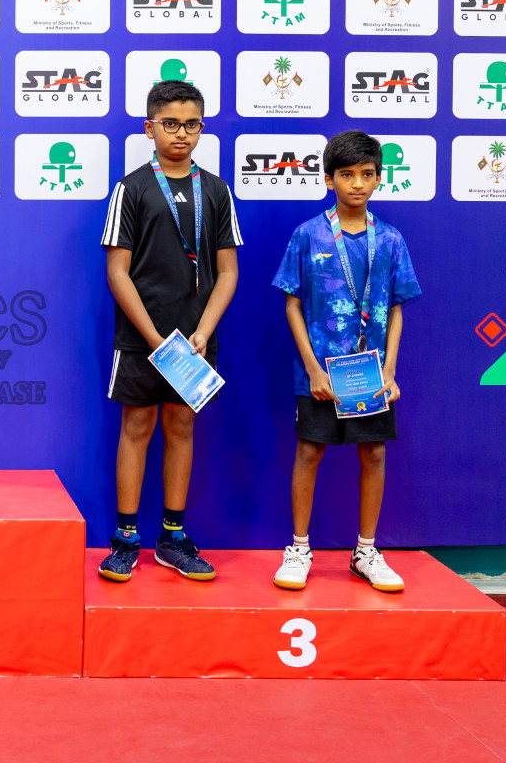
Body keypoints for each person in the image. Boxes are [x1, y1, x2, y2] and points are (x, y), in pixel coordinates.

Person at [98, 80, 240, 582]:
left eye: (192, 124)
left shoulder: (216, 190)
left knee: (181, 428)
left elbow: (228, 272)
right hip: (142, 338)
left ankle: (172, 538)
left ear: (202, 128)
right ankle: (125, 539)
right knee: (136, 429)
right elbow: (118, 272)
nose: (181, 134)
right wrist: (154, 338)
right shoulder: (132, 188)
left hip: (194, 341)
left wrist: (202, 331)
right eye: (171, 124)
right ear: (150, 127)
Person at [271, 130, 420, 592]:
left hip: (371, 375)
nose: (358, 183)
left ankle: (366, 551)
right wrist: (313, 368)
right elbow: (292, 304)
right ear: (329, 179)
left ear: (379, 178)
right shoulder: (308, 234)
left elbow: (396, 308)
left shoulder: (390, 239)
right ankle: (299, 548)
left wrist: (390, 371)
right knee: (309, 451)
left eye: (367, 174)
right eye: (347, 174)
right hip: (319, 375)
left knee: (373, 453)